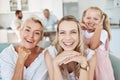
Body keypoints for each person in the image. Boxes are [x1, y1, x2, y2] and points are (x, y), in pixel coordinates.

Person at [44, 15, 96, 80]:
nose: (68, 37)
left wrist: (83, 64)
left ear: (79, 35)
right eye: (62, 32)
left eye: (73, 32)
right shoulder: (50, 54)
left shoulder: (90, 56)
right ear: (58, 35)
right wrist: (55, 64)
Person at [81, 6, 115, 80]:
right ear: (83, 18)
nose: (91, 21)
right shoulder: (82, 32)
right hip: (88, 66)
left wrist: (99, 27)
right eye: (88, 18)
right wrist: (77, 27)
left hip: (100, 68)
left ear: (101, 21)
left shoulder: (103, 32)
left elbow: (92, 47)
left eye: (95, 19)